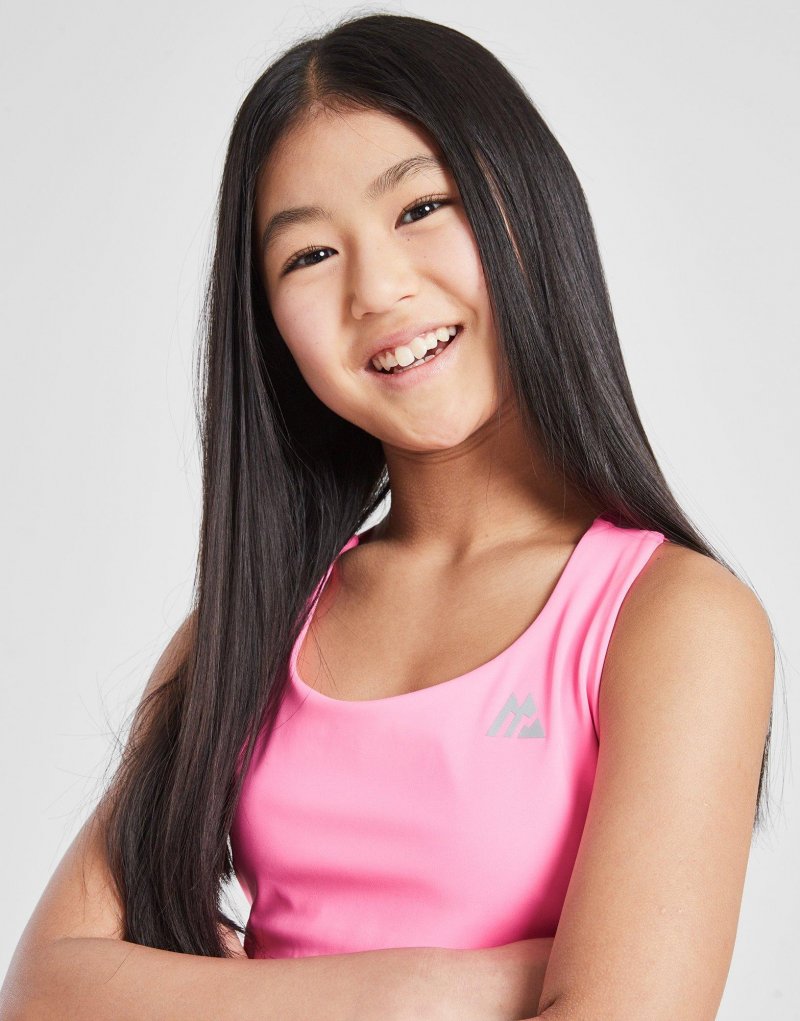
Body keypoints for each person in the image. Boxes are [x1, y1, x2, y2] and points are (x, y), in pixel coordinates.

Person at [1, 12, 777, 1021]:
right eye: (309, 255)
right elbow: (44, 988)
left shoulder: (674, 620)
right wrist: (426, 990)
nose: (377, 289)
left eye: (419, 207)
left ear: (527, 208)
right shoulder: (252, 627)